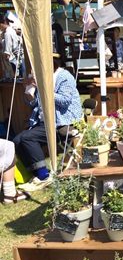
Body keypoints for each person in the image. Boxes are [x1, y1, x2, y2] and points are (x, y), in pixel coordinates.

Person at [14, 54, 82, 190]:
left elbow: (64, 100)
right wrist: (29, 92)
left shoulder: (64, 76)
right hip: (45, 122)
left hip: (63, 122)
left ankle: (44, 176)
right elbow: (34, 103)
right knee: (17, 140)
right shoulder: (43, 77)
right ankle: (35, 173)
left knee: (28, 138)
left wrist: (42, 87)